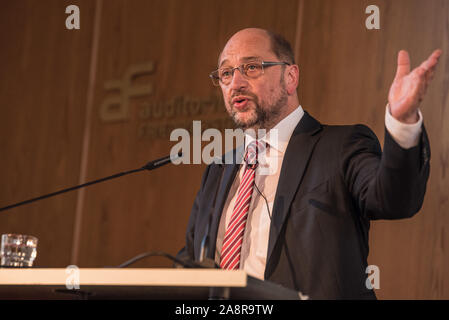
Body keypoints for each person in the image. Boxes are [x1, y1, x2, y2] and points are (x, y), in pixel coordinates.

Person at [176, 28, 441, 299]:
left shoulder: (341, 146)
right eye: (226, 73)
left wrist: (402, 123)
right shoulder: (218, 169)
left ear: (290, 78)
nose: (236, 83)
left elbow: (394, 200)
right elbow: (191, 260)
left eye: (252, 67)